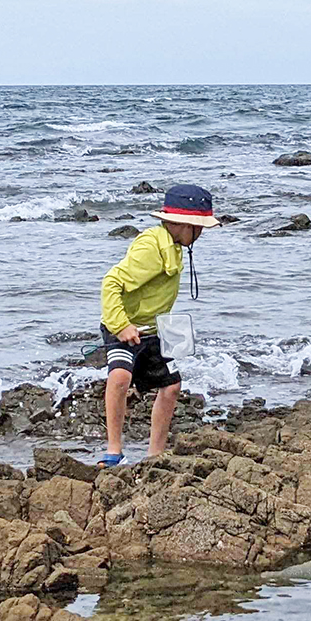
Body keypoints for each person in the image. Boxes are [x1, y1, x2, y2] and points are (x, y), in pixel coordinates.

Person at [98, 183, 218, 467]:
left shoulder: (176, 246)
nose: (200, 234)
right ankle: (114, 450)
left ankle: (155, 453)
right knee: (120, 377)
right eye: (197, 227)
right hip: (124, 327)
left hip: (154, 329)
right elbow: (111, 283)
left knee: (172, 386)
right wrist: (121, 326)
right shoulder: (150, 247)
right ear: (179, 224)